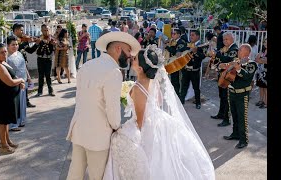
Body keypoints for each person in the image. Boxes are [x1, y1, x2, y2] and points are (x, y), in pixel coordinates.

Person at [103, 44, 215, 180]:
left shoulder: (138, 88)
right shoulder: (152, 82)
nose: (132, 58)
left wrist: (127, 134)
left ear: (139, 68)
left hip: (145, 124)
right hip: (159, 119)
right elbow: (159, 101)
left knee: (118, 141)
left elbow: (140, 121)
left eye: (135, 59)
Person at [66, 31, 141, 180]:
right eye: (127, 52)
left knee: (75, 173)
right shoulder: (113, 72)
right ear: (118, 49)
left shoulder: (87, 65)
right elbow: (112, 108)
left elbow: (79, 98)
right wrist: (117, 128)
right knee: (98, 175)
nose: (129, 57)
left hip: (79, 128)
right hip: (98, 135)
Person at [0, 43, 25, 154]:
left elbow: (12, 78)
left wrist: (18, 83)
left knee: (5, 121)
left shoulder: (3, 62)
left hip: (6, 97)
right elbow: (10, 82)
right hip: (1, 98)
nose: (5, 54)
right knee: (1, 121)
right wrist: (21, 80)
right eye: (1, 52)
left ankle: (7, 141)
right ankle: (3, 145)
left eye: (5, 51)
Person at [222, 44, 258, 149]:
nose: (238, 51)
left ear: (247, 52)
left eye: (240, 50)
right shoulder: (236, 61)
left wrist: (238, 69)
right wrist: (223, 67)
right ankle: (235, 134)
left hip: (242, 95)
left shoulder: (251, 64)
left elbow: (247, 77)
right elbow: (227, 70)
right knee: (234, 115)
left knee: (242, 118)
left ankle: (244, 140)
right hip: (232, 92)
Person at [210, 32, 238, 127]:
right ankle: (221, 114)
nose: (225, 41)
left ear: (232, 39)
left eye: (227, 39)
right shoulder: (225, 48)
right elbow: (220, 60)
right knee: (222, 96)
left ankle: (227, 119)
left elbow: (228, 59)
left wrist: (217, 55)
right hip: (222, 75)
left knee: (226, 98)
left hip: (228, 77)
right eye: (224, 39)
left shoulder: (234, 49)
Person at [11, 23, 37, 108]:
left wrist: (36, 44)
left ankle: (26, 101)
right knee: (17, 84)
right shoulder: (11, 40)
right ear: (15, 31)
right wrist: (25, 42)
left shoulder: (23, 40)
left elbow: (30, 51)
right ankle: (17, 103)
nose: (23, 32)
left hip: (23, 64)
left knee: (25, 83)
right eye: (21, 30)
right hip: (15, 65)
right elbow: (15, 49)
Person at [180, 30, 207, 109]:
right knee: (184, 86)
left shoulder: (202, 45)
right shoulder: (188, 44)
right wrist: (179, 52)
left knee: (196, 88)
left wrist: (196, 53)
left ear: (198, 36)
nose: (191, 36)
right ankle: (181, 102)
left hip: (195, 70)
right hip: (186, 69)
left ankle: (198, 103)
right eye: (190, 35)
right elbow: (182, 49)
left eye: (193, 35)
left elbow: (203, 56)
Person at [6, 36, 28, 131]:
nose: (15, 46)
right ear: (7, 46)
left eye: (16, 44)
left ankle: (21, 121)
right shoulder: (6, 57)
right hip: (14, 82)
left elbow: (24, 67)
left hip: (23, 80)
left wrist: (29, 78)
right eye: (12, 45)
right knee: (14, 104)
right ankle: (13, 124)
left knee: (22, 102)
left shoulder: (19, 53)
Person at [35, 24, 56, 97]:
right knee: (40, 76)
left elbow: (55, 46)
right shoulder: (39, 38)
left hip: (48, 59)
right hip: (40, 58)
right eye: (44, 30)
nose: (46, 32)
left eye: (47, 30)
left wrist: (54, 44)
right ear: (41, 30)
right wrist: (37, 43)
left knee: (48, 76)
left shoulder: (52, 38)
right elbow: (34, 47)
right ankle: (40, 91)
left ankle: (51, 91)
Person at [165, 29, 187, 96]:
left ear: (178, 35)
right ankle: (174, 94)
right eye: (172, 33)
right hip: (172, 62)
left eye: (174, 34)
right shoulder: (173, 41)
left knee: (176, 80)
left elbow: (175, 52)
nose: (172, 35)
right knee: (173, 79)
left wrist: (167, 47)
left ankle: (177, 94)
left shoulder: (181, 42)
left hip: (177, 63)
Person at [255, 38, 267, 108]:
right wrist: (262, 60)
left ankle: (266, 103)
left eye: (266, 42)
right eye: (264, 42)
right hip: (260, 72)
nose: (265, 44)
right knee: (261, 87)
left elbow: (266, 61)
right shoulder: (262, 51)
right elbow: (256, 59)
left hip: (266, 72)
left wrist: (261, 60)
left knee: (265, 88)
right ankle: (261, 101)